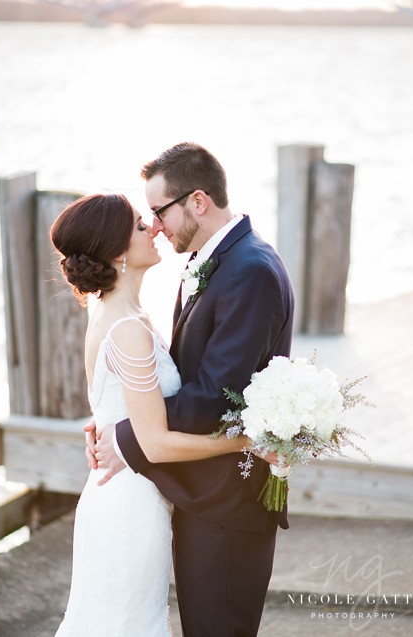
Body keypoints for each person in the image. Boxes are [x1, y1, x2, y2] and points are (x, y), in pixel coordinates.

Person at [90, 142, 295, 636]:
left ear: (197, 202)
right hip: (204, 490)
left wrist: (128, 436)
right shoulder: (220, 259)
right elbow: (186, 374)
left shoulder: (250, 271)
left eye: (159, 211)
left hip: (228, 501)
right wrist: (120, 414)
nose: (155, 225)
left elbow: (213, 398)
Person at [49, 192, 253, 636]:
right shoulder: (127, 329)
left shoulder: (112, 310)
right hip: (130, 508)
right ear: (119, 252)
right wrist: (247, 441)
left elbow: (109, 405)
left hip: (118, 494)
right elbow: (156, 445)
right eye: (142, 226)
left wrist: (107, 428)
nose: (154, 229)